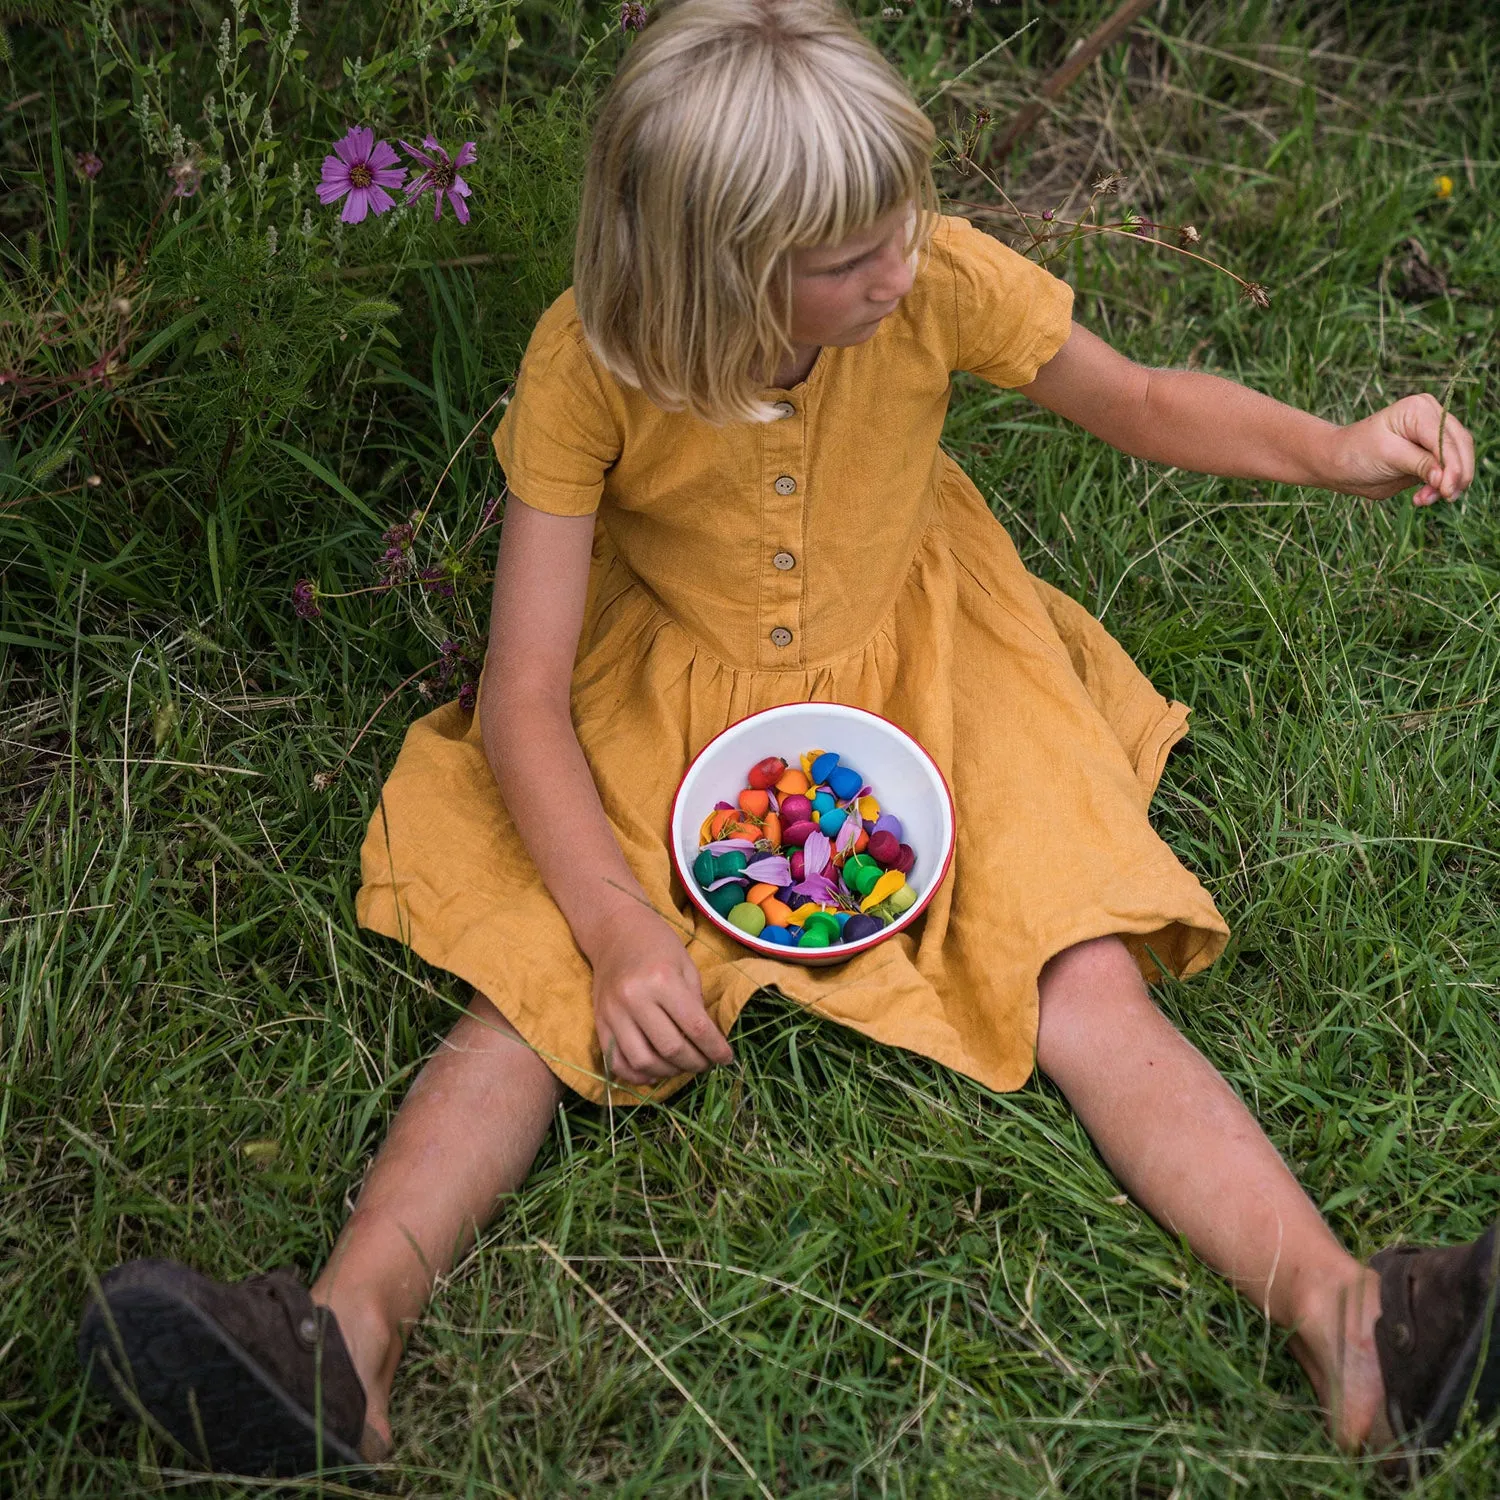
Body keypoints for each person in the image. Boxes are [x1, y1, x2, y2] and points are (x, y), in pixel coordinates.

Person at [79, 0, 1487, 1481]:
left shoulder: (929, 276)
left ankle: (1353, 1317)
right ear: (714, 271)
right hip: (672, 699)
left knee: (1080, 966)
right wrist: (622, 930)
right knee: (530, 997)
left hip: (936, 668)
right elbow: (523, 689)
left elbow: (1133, 398)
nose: (902, 268)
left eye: (904, 225)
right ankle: (338, 1347)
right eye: (848, 259)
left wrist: (1334, 448)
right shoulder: (588, 365)